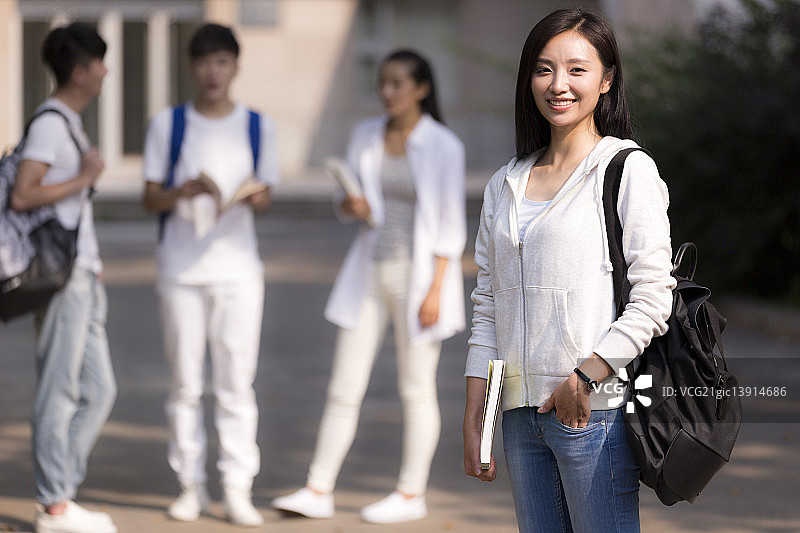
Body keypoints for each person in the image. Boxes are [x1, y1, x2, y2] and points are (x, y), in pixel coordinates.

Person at [463, 8, 675, 533]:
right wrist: (478, 412)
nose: (559, 84)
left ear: (606, 80)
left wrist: (585, 378)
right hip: (519, 417)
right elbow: (488, 304)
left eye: (577, 69)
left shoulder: (626, 168)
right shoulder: (505, 183)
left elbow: (653, 297)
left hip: (595, 412)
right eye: (544, 69)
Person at [272, 49, 466, 524]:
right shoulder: (365, 135)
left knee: (415, 388)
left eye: (398, 83)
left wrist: (436, 290)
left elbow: (450, 226)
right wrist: (350, 205)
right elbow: (348, 200)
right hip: (368, 273)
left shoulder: (443, 145)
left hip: (418, 277)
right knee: (344, 385)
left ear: (421, 88)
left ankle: (410, 493)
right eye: (383, 82)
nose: (387, 91)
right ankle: (317, 489)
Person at [141, 23, 278, 527]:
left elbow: (266, 195)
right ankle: (190, 486)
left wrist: (253, 197)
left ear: (235, 67)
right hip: (181, 269)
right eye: (203, 62)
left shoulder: (257, 125)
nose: (212, 71)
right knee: (184, 383)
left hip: (239, 270)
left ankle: (237, 488)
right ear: (191, 67)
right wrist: (182, 191)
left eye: (221, 61)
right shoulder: (169, 124)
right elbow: (149, 198)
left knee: (236, 383)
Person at [10, 23, 118, 533]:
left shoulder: (67, 123)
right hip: (60, 278)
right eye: (100, 63)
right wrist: (85, 178)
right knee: (60, 389)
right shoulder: (51, 125)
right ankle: (54, 505)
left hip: (82, 274)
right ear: (80, 72)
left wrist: (93, 262)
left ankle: (60, 494)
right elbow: (23, 194)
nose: (106, 72)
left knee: (100, 391)